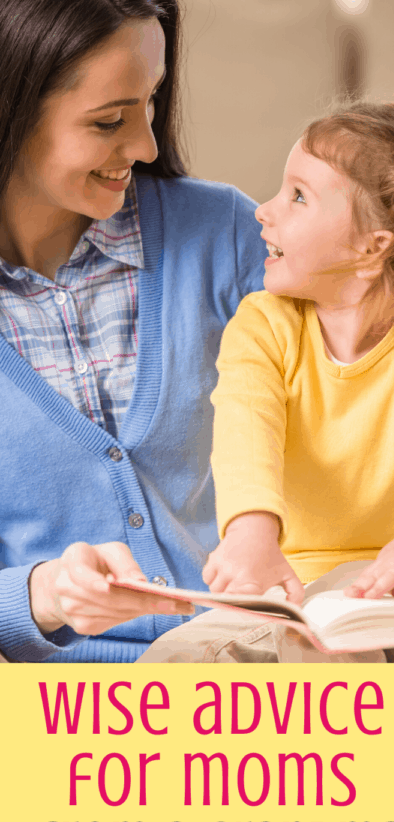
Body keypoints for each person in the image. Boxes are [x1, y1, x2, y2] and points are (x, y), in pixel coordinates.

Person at [0, 0, 266, 662]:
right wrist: (44, 594)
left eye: (152, 102)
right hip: (72, 726)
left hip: (264, 687)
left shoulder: (228, 237)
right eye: (108, 121)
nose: (145, 145)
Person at [140, 102, 394, 663]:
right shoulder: (263, 324)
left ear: (371, 248)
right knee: (168, 662)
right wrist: (251, 533)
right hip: (286, 584)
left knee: (331, 651)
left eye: (297, 196)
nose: (262, 210)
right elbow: (244, 426)